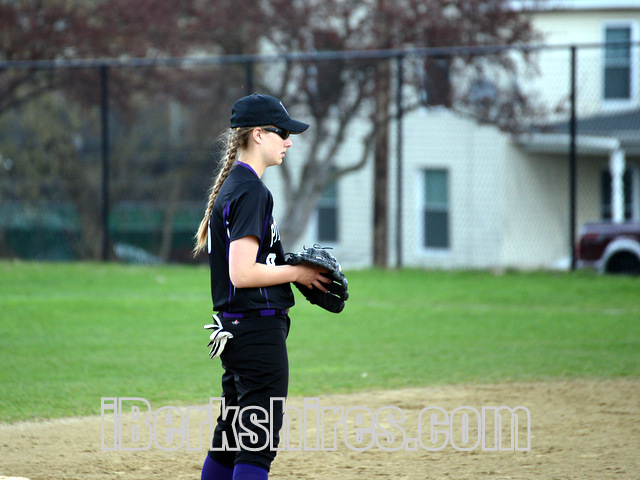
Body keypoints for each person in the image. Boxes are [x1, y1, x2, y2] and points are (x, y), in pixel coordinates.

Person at [193, 93, 331, 480]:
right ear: (258, 134)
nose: (289, 142)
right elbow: (242, 273)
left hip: (238, 330)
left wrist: (288, 265)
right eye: (282, 133)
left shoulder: (235, 185)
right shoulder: (251, 190)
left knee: (230, 440)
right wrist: (297, 273)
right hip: (256, 333)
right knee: (256, 444)